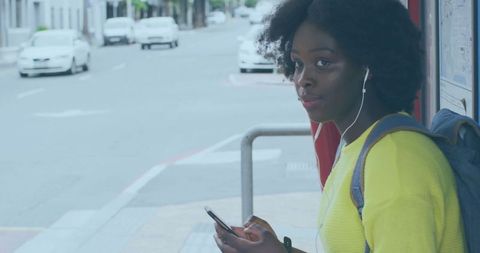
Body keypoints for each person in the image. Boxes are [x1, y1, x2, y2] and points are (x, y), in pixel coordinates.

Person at [213, 0, 466, 252]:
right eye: (298, 64)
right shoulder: (362, 143)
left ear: (369, 67)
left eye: (323, 62)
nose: (303, 79)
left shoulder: (395, 165)